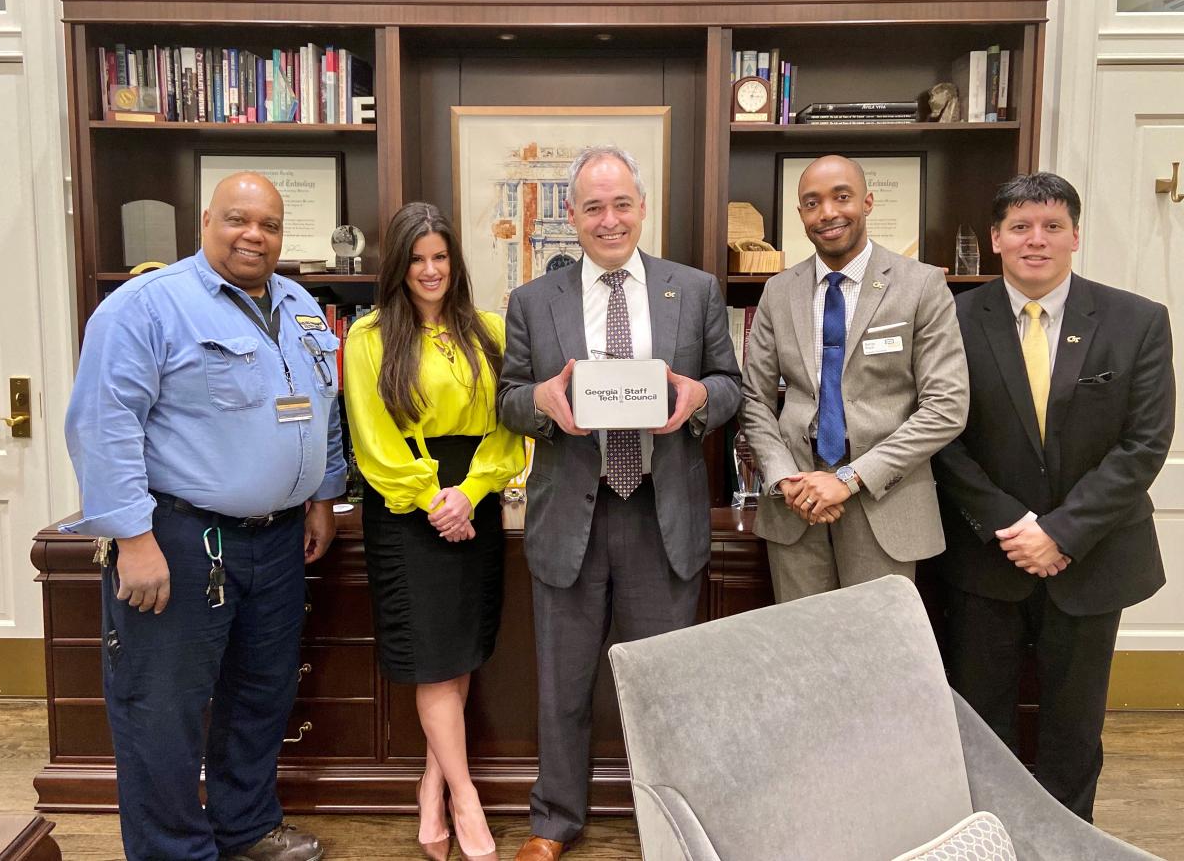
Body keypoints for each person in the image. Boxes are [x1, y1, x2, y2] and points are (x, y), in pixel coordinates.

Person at [62, 172, 346, 861]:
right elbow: (103, 426)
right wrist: (133, 537)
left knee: (261, 695)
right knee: (163, 710)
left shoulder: (302, 304)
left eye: (270, 225)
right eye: (237, 220)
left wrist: (322, 495)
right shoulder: (146, 307)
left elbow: (323, 406)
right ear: (204, 223)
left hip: (279, 541)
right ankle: (172, 850)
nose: (254, 235)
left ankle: (245, 825)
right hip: (180, 539)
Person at [497, 146, 742, 860]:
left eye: (621, 203)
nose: (610, 220)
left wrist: (699, 397)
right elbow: (509, 397)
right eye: (593, 207)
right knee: (563, 687)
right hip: (571, 514)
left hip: (662, 518)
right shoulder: (532, 302)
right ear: (571, 216)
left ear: (642, 207)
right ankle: (553, 822)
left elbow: (730, 384)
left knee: (664, 693)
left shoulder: (692, 291)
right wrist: (539, 402)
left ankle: (667, 827)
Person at [933, 172, 1174, 821]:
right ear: (995, 239)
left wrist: (1061, 533)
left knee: (1073, 727)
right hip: (988, 558)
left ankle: (1066, 840)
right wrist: (1012, 525)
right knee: (982, 722)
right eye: (1020, 227)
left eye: (1051, 227)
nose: (1035, 240)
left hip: (1092, 559)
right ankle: (993, 835)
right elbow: (941, 438)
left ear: (1075, 236)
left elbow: (1144, 444)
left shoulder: (1138, 321)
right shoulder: (950, 320)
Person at [343, 202, 525, 861]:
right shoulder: (367, 337)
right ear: (398, 266)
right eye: (416, 259)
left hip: (473, 497)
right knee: (433, 659)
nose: (430, 270)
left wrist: (471, 493)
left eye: (440, 257)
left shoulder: (489, 330)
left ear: (455, 261)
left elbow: (507, 425)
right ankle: (466, 799)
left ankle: (432, 784)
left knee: (459, 650)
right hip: (405, 508)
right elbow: (373, 438)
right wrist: (430, 498)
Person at [740, 154, 968, 602]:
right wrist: (785, 478)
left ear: (867, 202)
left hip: (884, 500)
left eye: (841, 197)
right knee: (804, 652)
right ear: (801, 214)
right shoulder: (778, 290)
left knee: (877, 654)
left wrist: (848, 478)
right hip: (796, 506)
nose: (827, 213)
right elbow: (755, 400)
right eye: (811, 203)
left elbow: (947, 407)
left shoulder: (920, 285)